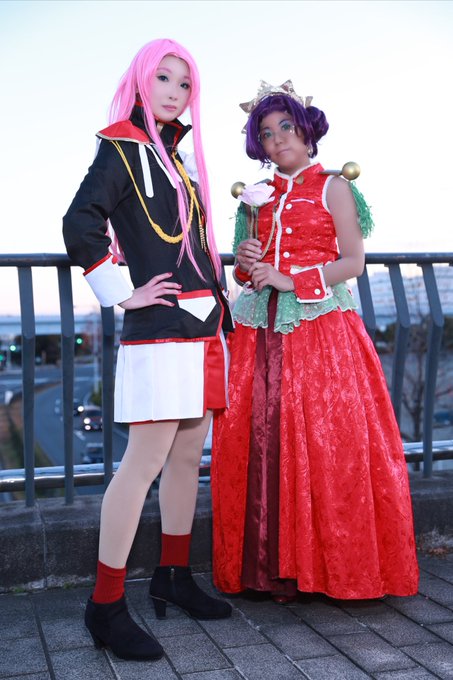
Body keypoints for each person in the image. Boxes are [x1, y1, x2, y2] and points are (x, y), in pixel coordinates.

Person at [211, 80, 419, 603]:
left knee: (327, 442)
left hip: (321, 330)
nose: (277, 138)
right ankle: (265, 571)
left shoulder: (334, 187)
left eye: (286, 127)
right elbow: (244, 275)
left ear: (307, 131)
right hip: (259, 333)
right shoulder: (255, 197)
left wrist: (291, 280)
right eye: (266, 133)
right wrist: (247, 263)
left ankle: (329, 571)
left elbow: (354, 263)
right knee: (259, 438)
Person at [63, 39, 233, 662]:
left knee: (188, 456)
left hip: (202, 327)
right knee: (144, 463)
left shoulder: (176, 157)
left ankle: (174, 576)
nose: (174, 92)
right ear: (141, 79)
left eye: (185, 84)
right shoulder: (121, 145)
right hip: (159, 328)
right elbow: (80, 221)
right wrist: (122, 293)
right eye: (163, 77)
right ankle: (105, 604)